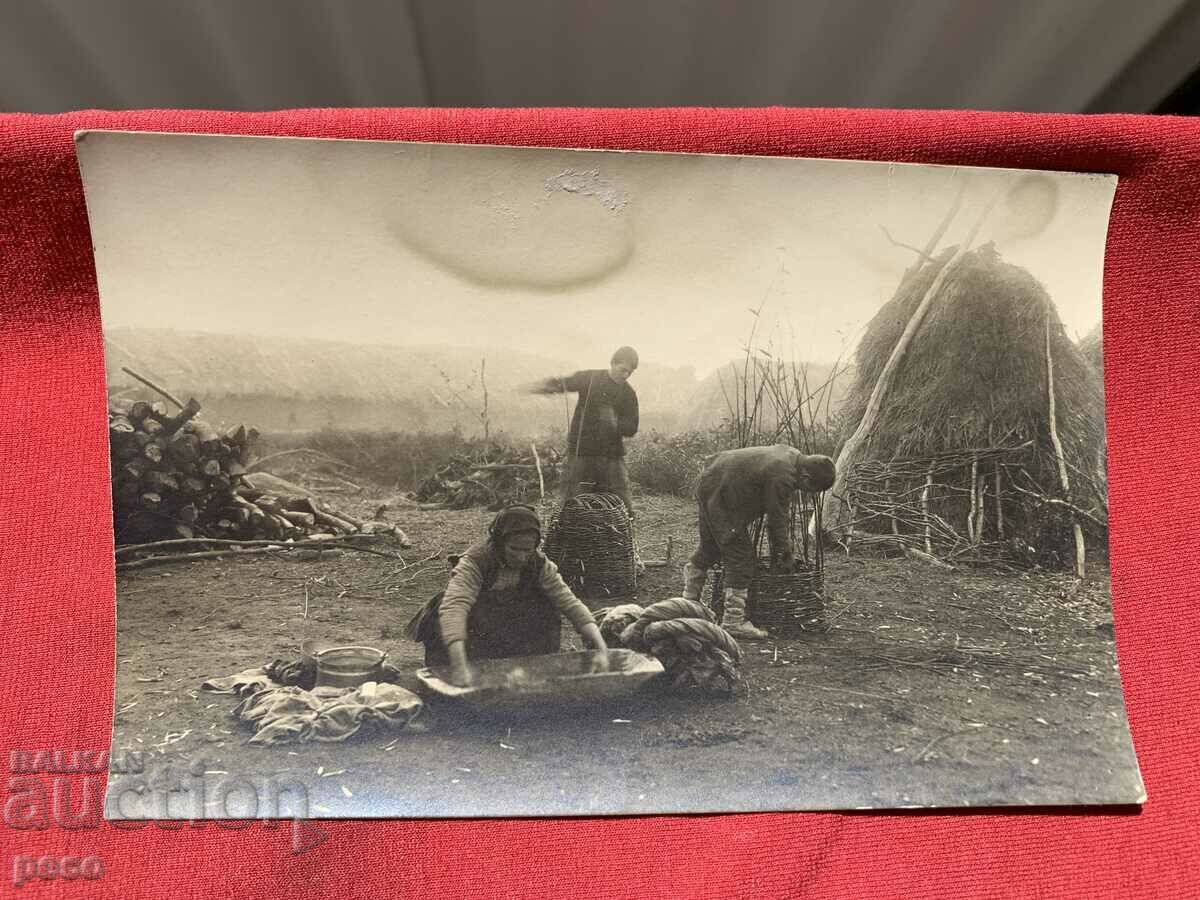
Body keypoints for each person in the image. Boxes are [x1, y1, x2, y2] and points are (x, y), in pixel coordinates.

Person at [407, 505, 608, 686]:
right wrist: (459, 666)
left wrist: (601, 649)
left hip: (505, 623)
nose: (521, 557)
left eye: (527, 550)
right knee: (445, 613)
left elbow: (570, 603)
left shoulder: (539, 564)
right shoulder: (475, 562)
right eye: (514, 549)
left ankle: (526, 662)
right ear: (500, 542)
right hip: (474, 626)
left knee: (546, 605)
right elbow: (455, 609)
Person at [682, 445, 837, 641]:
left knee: (710, 548)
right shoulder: (782, 475)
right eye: (810, 489)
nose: (806, 493)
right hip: (721, 495)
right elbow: (776, 519)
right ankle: (733, 622)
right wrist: (785, 553)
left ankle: (687, 604)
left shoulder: (790, 455)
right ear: (806, 477)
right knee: (742, 558)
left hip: (711, 482)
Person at [526, 346, 640, 519]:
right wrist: (542, 387)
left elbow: (632, 427)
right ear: (613, 363)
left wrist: (615, 423)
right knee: (570, 495)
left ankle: (626, 530)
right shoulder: (591, 378)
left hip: (610, 455)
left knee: (621, 498)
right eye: (622, 369)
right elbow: (564, 383)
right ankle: (563, 528)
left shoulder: (628, 394)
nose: (625, 375)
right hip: (581, 450)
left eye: (629, 373)